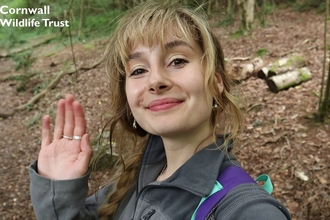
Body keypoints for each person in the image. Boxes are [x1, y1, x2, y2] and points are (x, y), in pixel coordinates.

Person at [29, 1, 292, 220]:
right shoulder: (133, 182)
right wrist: (59, 193)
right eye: (138, 70)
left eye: (177, 60)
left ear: (217, 81)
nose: (155, 81)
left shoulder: (246, 211)